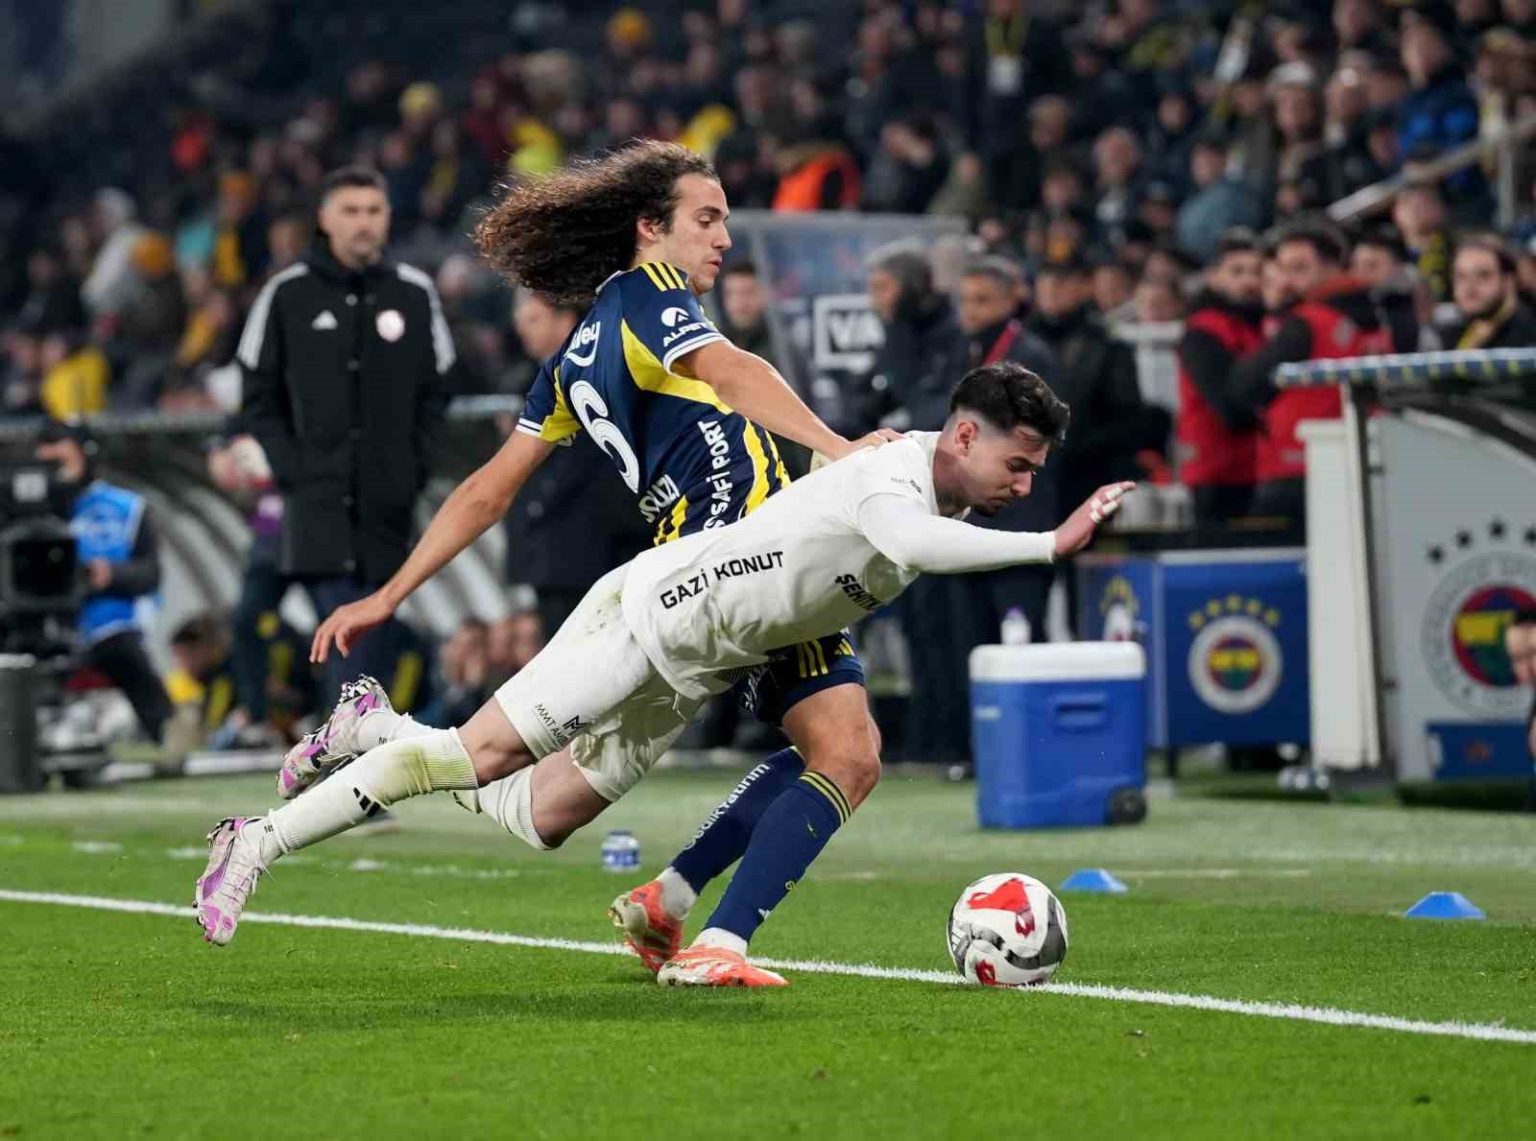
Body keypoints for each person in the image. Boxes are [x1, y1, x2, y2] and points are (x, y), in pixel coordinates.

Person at [194, 362, 1133, 985]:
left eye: (1034, 474)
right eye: (1017, 465)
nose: (1024, 485)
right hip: (645, 620)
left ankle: (375, 726)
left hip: (696, 664)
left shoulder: (920, 476)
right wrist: (1049, 542)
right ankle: (256, 840)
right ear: (963, 435)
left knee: (541, 818)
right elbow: (905, 538)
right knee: (473, 758)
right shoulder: (892, 481)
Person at [269, 141, 895, 987]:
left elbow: (486, 490)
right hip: (741, 552)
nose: (722, 239)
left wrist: (391, 592)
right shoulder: (650, 295)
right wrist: (839, 447)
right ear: (649, 228)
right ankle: (720, 939)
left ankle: (666, 898)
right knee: (843, 754)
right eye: (706, 219)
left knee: (569, 804)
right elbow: (729, 370)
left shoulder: (573, 355)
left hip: (700, 560)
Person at [238, 166, 451, 704]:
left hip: (387, 509)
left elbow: (438, 392)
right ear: (325, 219)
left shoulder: (413, 293)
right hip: (317, 508)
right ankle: (344, 738)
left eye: (373, 211)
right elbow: (256, 393)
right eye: (351, 211)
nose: (363, 223)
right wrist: (293, 470)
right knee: (345, 638)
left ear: (388, 218)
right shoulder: (287, 293)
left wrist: (412, 469)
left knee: (369, 640)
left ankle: (351, 737)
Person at [1233, 219, 1393, 521]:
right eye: (1283, 269)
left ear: (1333, 267)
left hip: (1295, 469)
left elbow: (1243, 387)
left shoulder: (1307, 322)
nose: (1287, 281)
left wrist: (1276, 312)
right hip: (1360, 459)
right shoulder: (1376, 315)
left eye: (1300, 268)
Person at [34, 423, 173, 751]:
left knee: (126, 655)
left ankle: (166, 734)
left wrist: (110, 575)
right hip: (42, 618)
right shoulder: (27, 507)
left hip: (108, 621)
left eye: (61, 457)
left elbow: (150, 573)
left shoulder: (126, 507)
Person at [1177, 230, 1266, 526]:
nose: (1249, 281)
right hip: (1217, 473)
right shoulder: (1203, 331)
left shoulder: (1257, 324)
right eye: (1237, 271)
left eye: (1256, 271)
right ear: (1214, 276)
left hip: (1252, 466)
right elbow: (1227, 404)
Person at [1442, 234, 1536, 350]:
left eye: (1483, 275)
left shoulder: (1529, 336)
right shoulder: (1448, 333)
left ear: (1508, 281)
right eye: (1461, 276)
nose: (1469, 286)